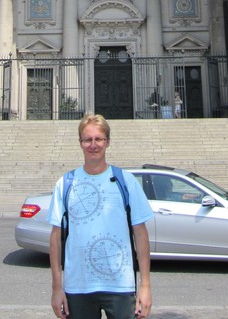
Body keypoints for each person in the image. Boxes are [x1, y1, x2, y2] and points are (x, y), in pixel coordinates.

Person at [48, 113, 153, 319]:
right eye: (88, 139)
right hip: (78, 286)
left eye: (98, 139)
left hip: (120, 286)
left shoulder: (126, 181)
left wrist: (146, 286)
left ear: (108, 142)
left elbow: (140, 235)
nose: (93, 145)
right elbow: (56, 239)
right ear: (80, 143)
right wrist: (56, 287)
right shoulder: (65, 183)